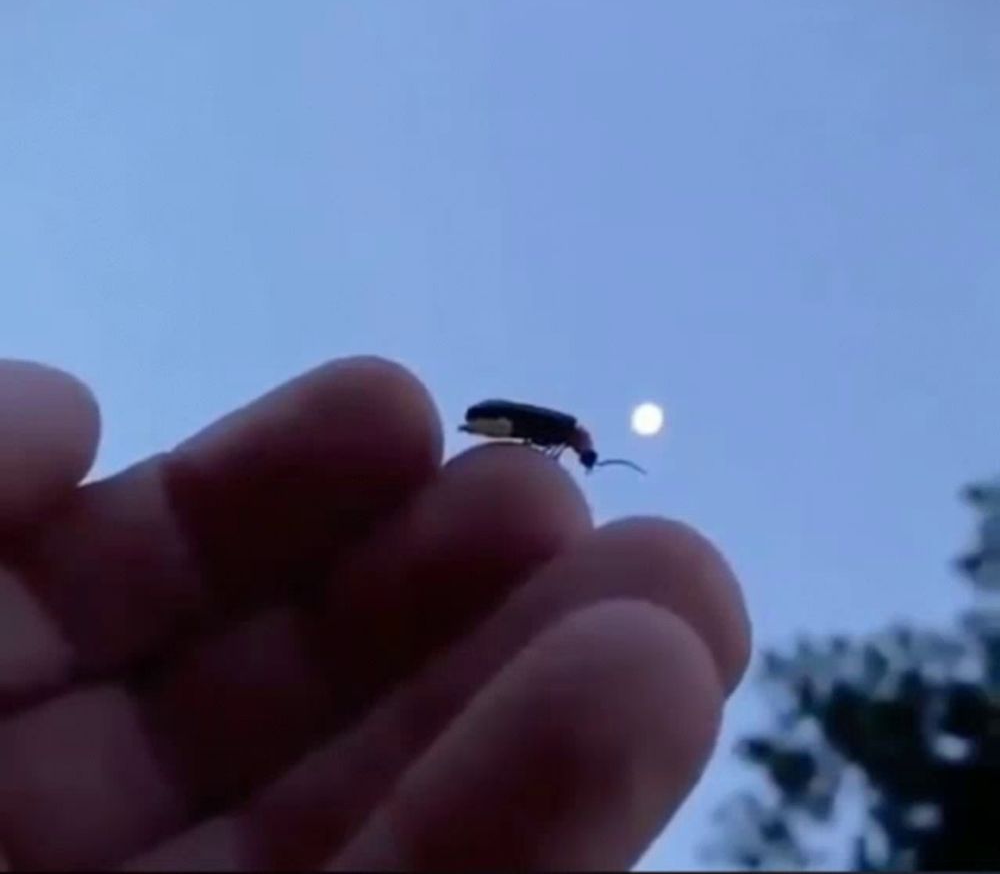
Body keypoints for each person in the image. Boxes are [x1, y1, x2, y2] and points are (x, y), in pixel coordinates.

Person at [0, 355, 750, 871]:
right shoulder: (560, 432)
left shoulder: (559, 440)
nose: (581, 458)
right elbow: (521, 432)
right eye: (583, 455)